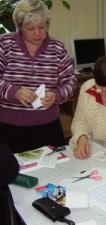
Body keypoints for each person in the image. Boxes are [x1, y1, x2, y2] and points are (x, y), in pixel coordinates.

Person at [0, 0, 76, 153]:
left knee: (55, 173)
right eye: (30, 28)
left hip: (48, 128)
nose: (37, 33)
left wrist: (56, 95)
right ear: (20, 26)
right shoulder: (4, 45)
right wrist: (14, 91)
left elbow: (70, 82)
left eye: (42, 27)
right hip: (8, 129)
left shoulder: (57, 48)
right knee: (12, 175)